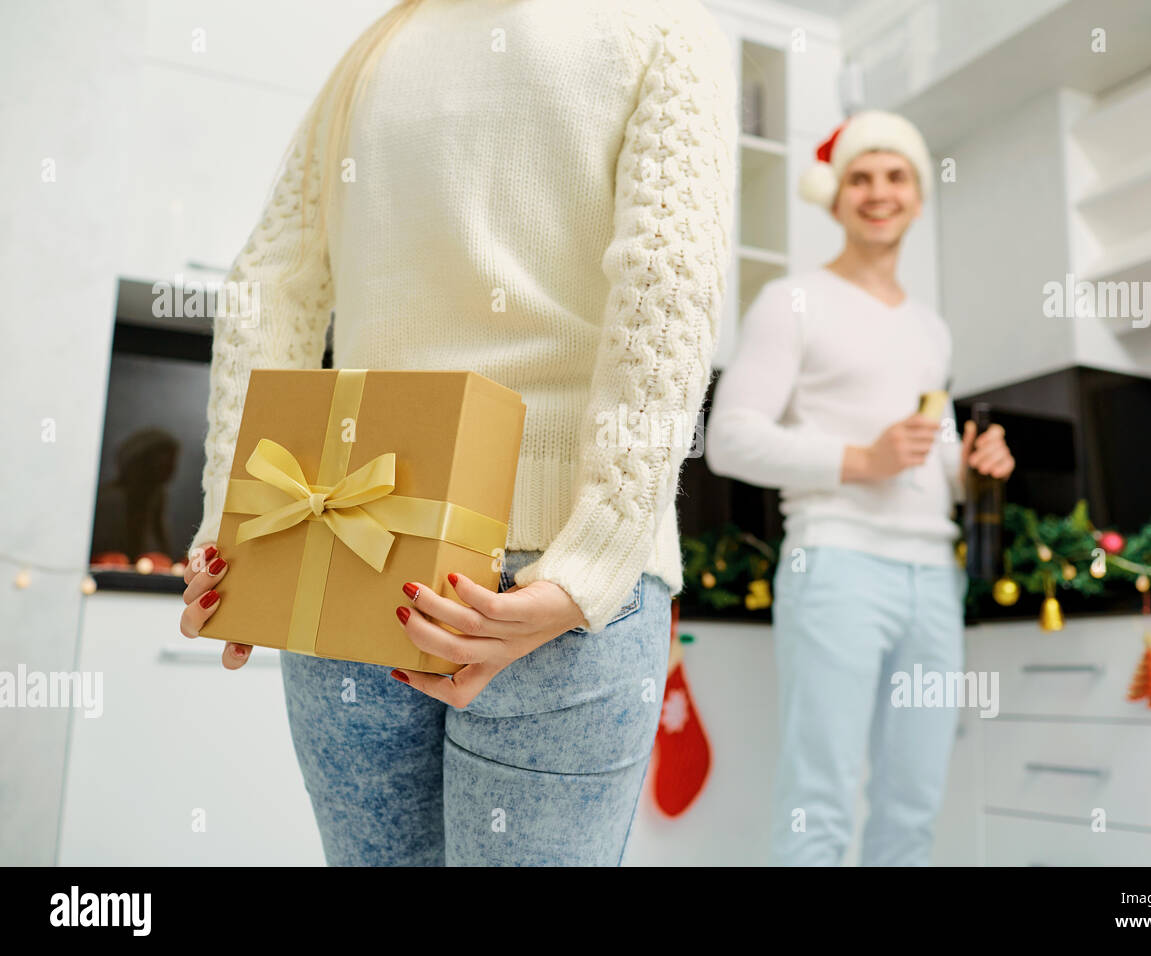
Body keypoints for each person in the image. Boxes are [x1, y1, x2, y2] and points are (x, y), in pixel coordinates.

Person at [176, 0, 737, 866]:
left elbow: (269, 284)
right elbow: (668, 274)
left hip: (345, 550)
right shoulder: (664, 23)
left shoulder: (372, 50)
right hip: (550, 581)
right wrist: (597, 554)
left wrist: (240, 525)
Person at [704, 110, 1014, 866]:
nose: (879, 191)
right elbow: (729, 439)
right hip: (836, 565)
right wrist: (860, 461)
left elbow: (926, 454)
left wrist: (975, 464)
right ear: (835, 196)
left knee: (913, 806)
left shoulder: (931, 329)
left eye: (896, 175)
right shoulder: (791, 300)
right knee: (821, 797)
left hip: (933, 580)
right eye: (861, 177)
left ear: (917, 195)